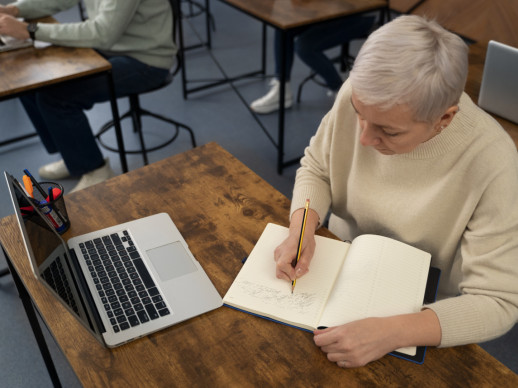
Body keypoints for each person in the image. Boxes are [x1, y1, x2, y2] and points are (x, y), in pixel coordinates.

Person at [273, 15, 518, 368]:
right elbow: (317, 167)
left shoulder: (493, 160)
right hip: (339, 268)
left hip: (421, 310)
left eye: (389, 132)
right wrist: (302, 229)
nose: (364, 140)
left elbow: (498, 302)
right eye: (359, 114)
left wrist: (394, 332)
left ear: (444, 119)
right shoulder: (361, 97)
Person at [0, 0, 176, 192]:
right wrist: (15, 9)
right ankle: (73, 155)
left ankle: (96, 170)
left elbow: (102, 33)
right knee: (34, 82)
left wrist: (31, 29)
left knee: (57, 98)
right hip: (110, 48)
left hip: (146, 61)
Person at [249, 15, 376, 114]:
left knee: (305, 46)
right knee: (282, 26)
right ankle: (282, 90)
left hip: (360, 13)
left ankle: (342, 93)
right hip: (324, 10)